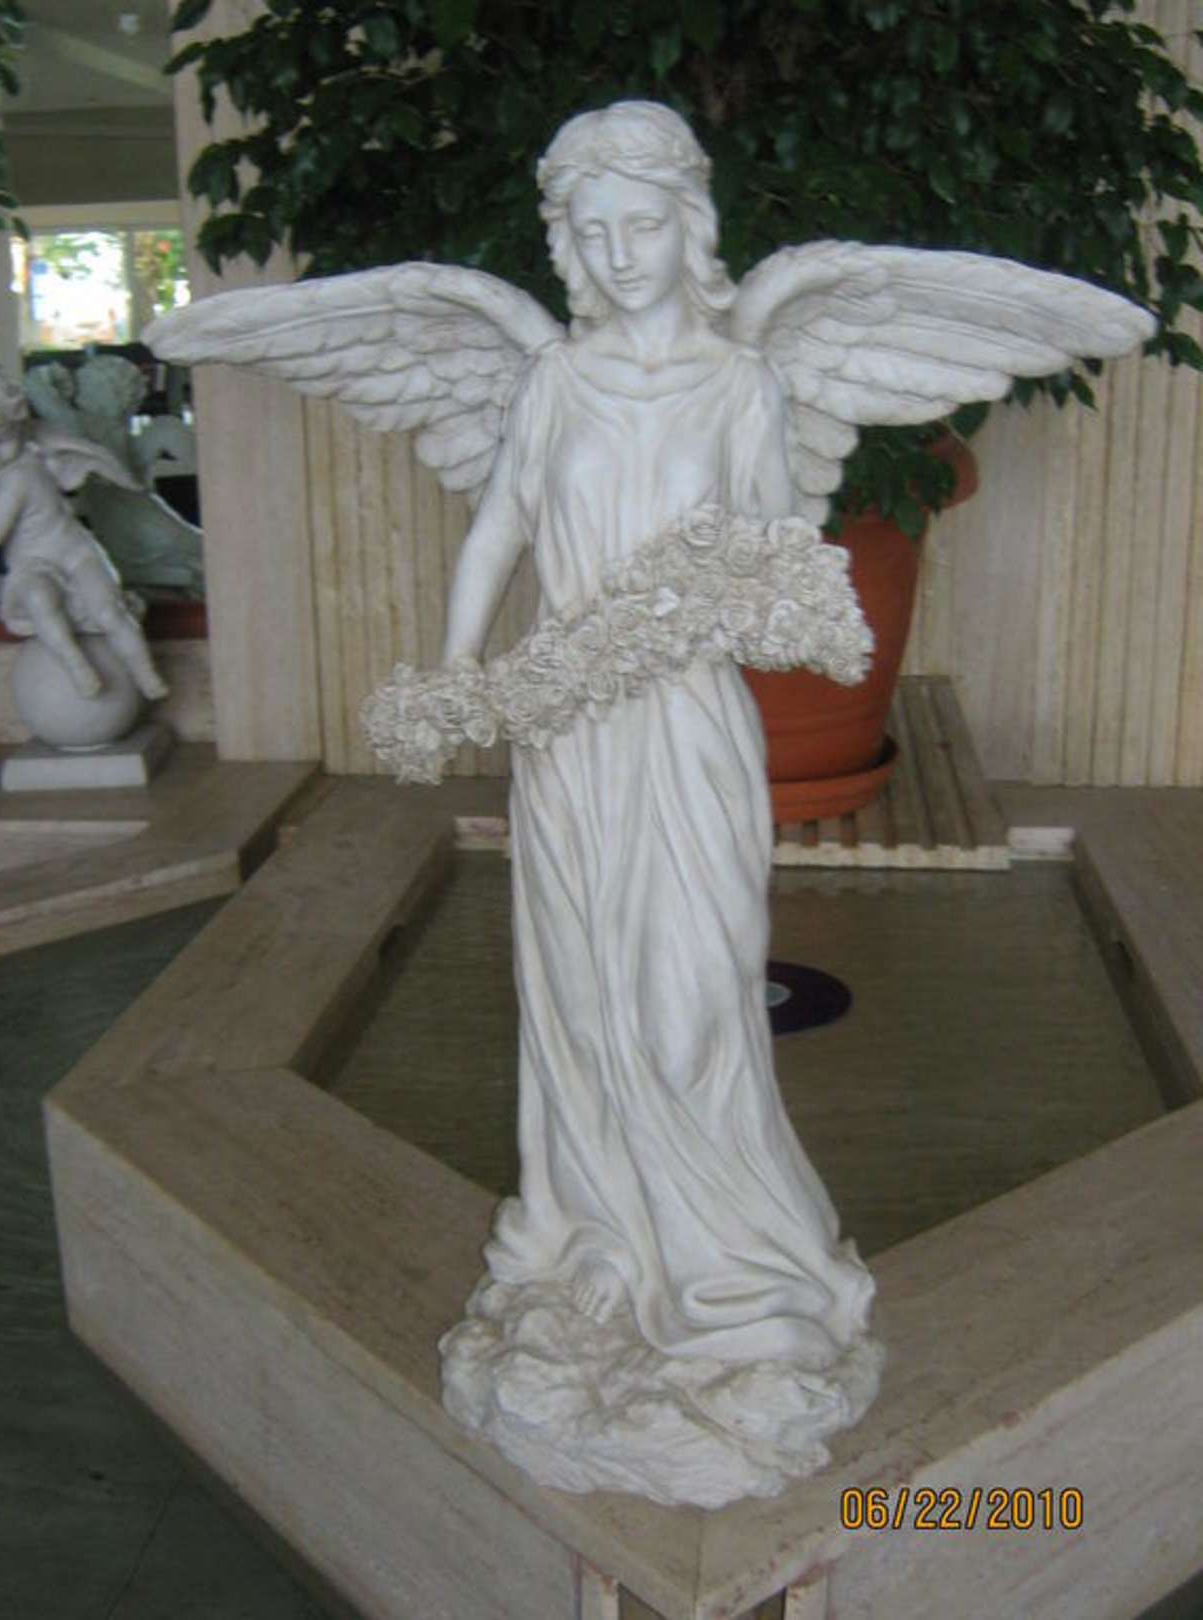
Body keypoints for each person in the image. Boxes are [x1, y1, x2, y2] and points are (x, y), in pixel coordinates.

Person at [441, 104, 877, 1371]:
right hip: (569, 738)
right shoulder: (553, 382)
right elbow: (500, 528)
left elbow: (775, 554)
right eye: (593, 233)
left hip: (684, 732)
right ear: (566, 246)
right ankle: (604, 1247)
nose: (620, 255)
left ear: (690, 229)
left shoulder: (742, 384)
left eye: (643, 226)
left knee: (693, 999)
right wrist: (458, 673)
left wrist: (726, 604)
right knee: (582, 999)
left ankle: (732, 1262)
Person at [0, 374, 168, 703]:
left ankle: (144, 674)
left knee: (108, 610)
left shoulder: (25, 470)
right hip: (32, 562)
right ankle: (82, 669)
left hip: (73, 551)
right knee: (41, 600)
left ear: (16, 424)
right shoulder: (13, 467)